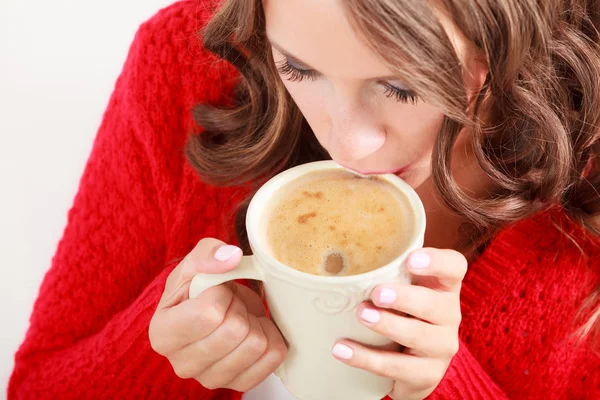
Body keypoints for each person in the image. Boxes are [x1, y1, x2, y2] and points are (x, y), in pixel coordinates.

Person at [8, 0, 600, 398]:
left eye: (402, 86)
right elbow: (38, 387)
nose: (347, 143)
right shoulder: (186, 64)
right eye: (298, 68)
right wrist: (165, 348)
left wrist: (441, 386)